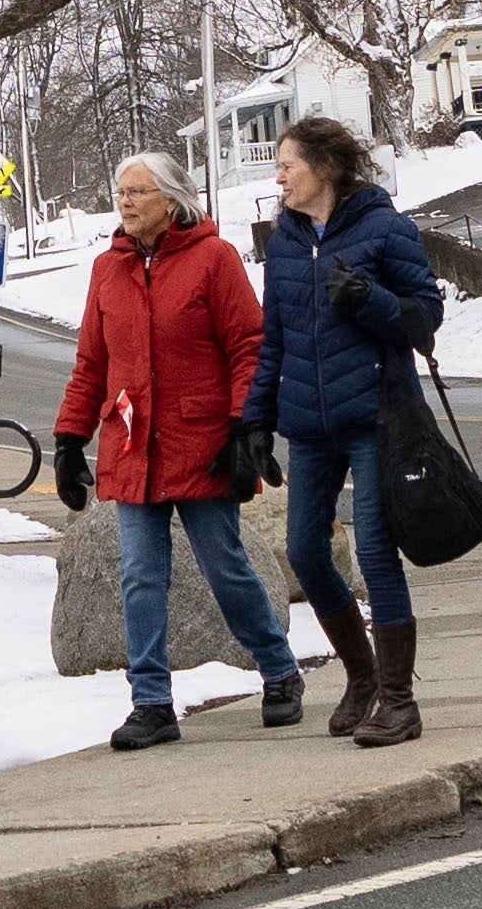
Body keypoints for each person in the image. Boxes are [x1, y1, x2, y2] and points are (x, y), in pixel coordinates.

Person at [45, 152, 300, 746]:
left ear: (171, 199)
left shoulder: (214, 259)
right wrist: (68, 439)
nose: (125, 202)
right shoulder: (107, 270)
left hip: (202, 443)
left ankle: (281, 671)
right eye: (120, 192)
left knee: (226, 567)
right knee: (140, 575)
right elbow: (91, 365)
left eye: (137, 192)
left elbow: (248, 347)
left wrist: (245, 428)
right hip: (133, 446)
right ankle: (152, 703)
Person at [254, 112, 446, 747]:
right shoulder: (281, 241)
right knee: (306, 552)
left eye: (288, 165)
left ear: (325, 169)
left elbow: (424, 319)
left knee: (372, 552)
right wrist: (255, 419)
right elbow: (272, 340)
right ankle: (361, 678)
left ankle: (400, 701)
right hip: (309, 423)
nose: (278, 176)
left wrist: (370, 300)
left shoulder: (384, 229)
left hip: (374, 416)